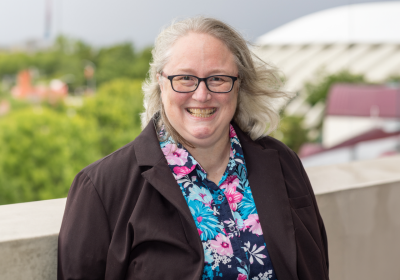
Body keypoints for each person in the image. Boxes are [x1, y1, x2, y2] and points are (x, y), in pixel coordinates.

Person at [58, 17, 329, 280]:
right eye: (185, 78)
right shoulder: (102, 188)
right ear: (161, 82)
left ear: (239, 85)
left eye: (218, 78)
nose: (201, 95)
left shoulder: (282, 162)